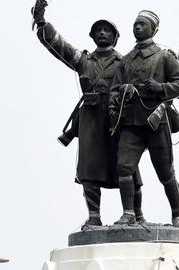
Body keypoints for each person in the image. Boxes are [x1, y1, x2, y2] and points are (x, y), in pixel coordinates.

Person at [32, 0, 143, 228]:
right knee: (89, 169)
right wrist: (41, 21)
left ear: (115, 37)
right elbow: (57, 45)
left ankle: (134, 214)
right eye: (98, 30)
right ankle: (94, 216)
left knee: (127, 166)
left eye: (107, 30)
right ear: (92, 36)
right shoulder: (83, 61)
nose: (102, 33)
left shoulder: (126, 62)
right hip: (90, 118)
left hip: (116, 117)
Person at [108, 10, 179, 227]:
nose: (138, 27)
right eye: (136, 24)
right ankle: (129, 213)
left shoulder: (164, 57)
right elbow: (114, 91)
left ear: (154, 29)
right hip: (131, 122)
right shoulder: (125, 60)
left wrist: (159, 88)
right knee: (124, 168)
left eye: (143, 24)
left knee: (165, 172)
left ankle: (178, 215)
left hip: (156, 122)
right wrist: (119, 99)